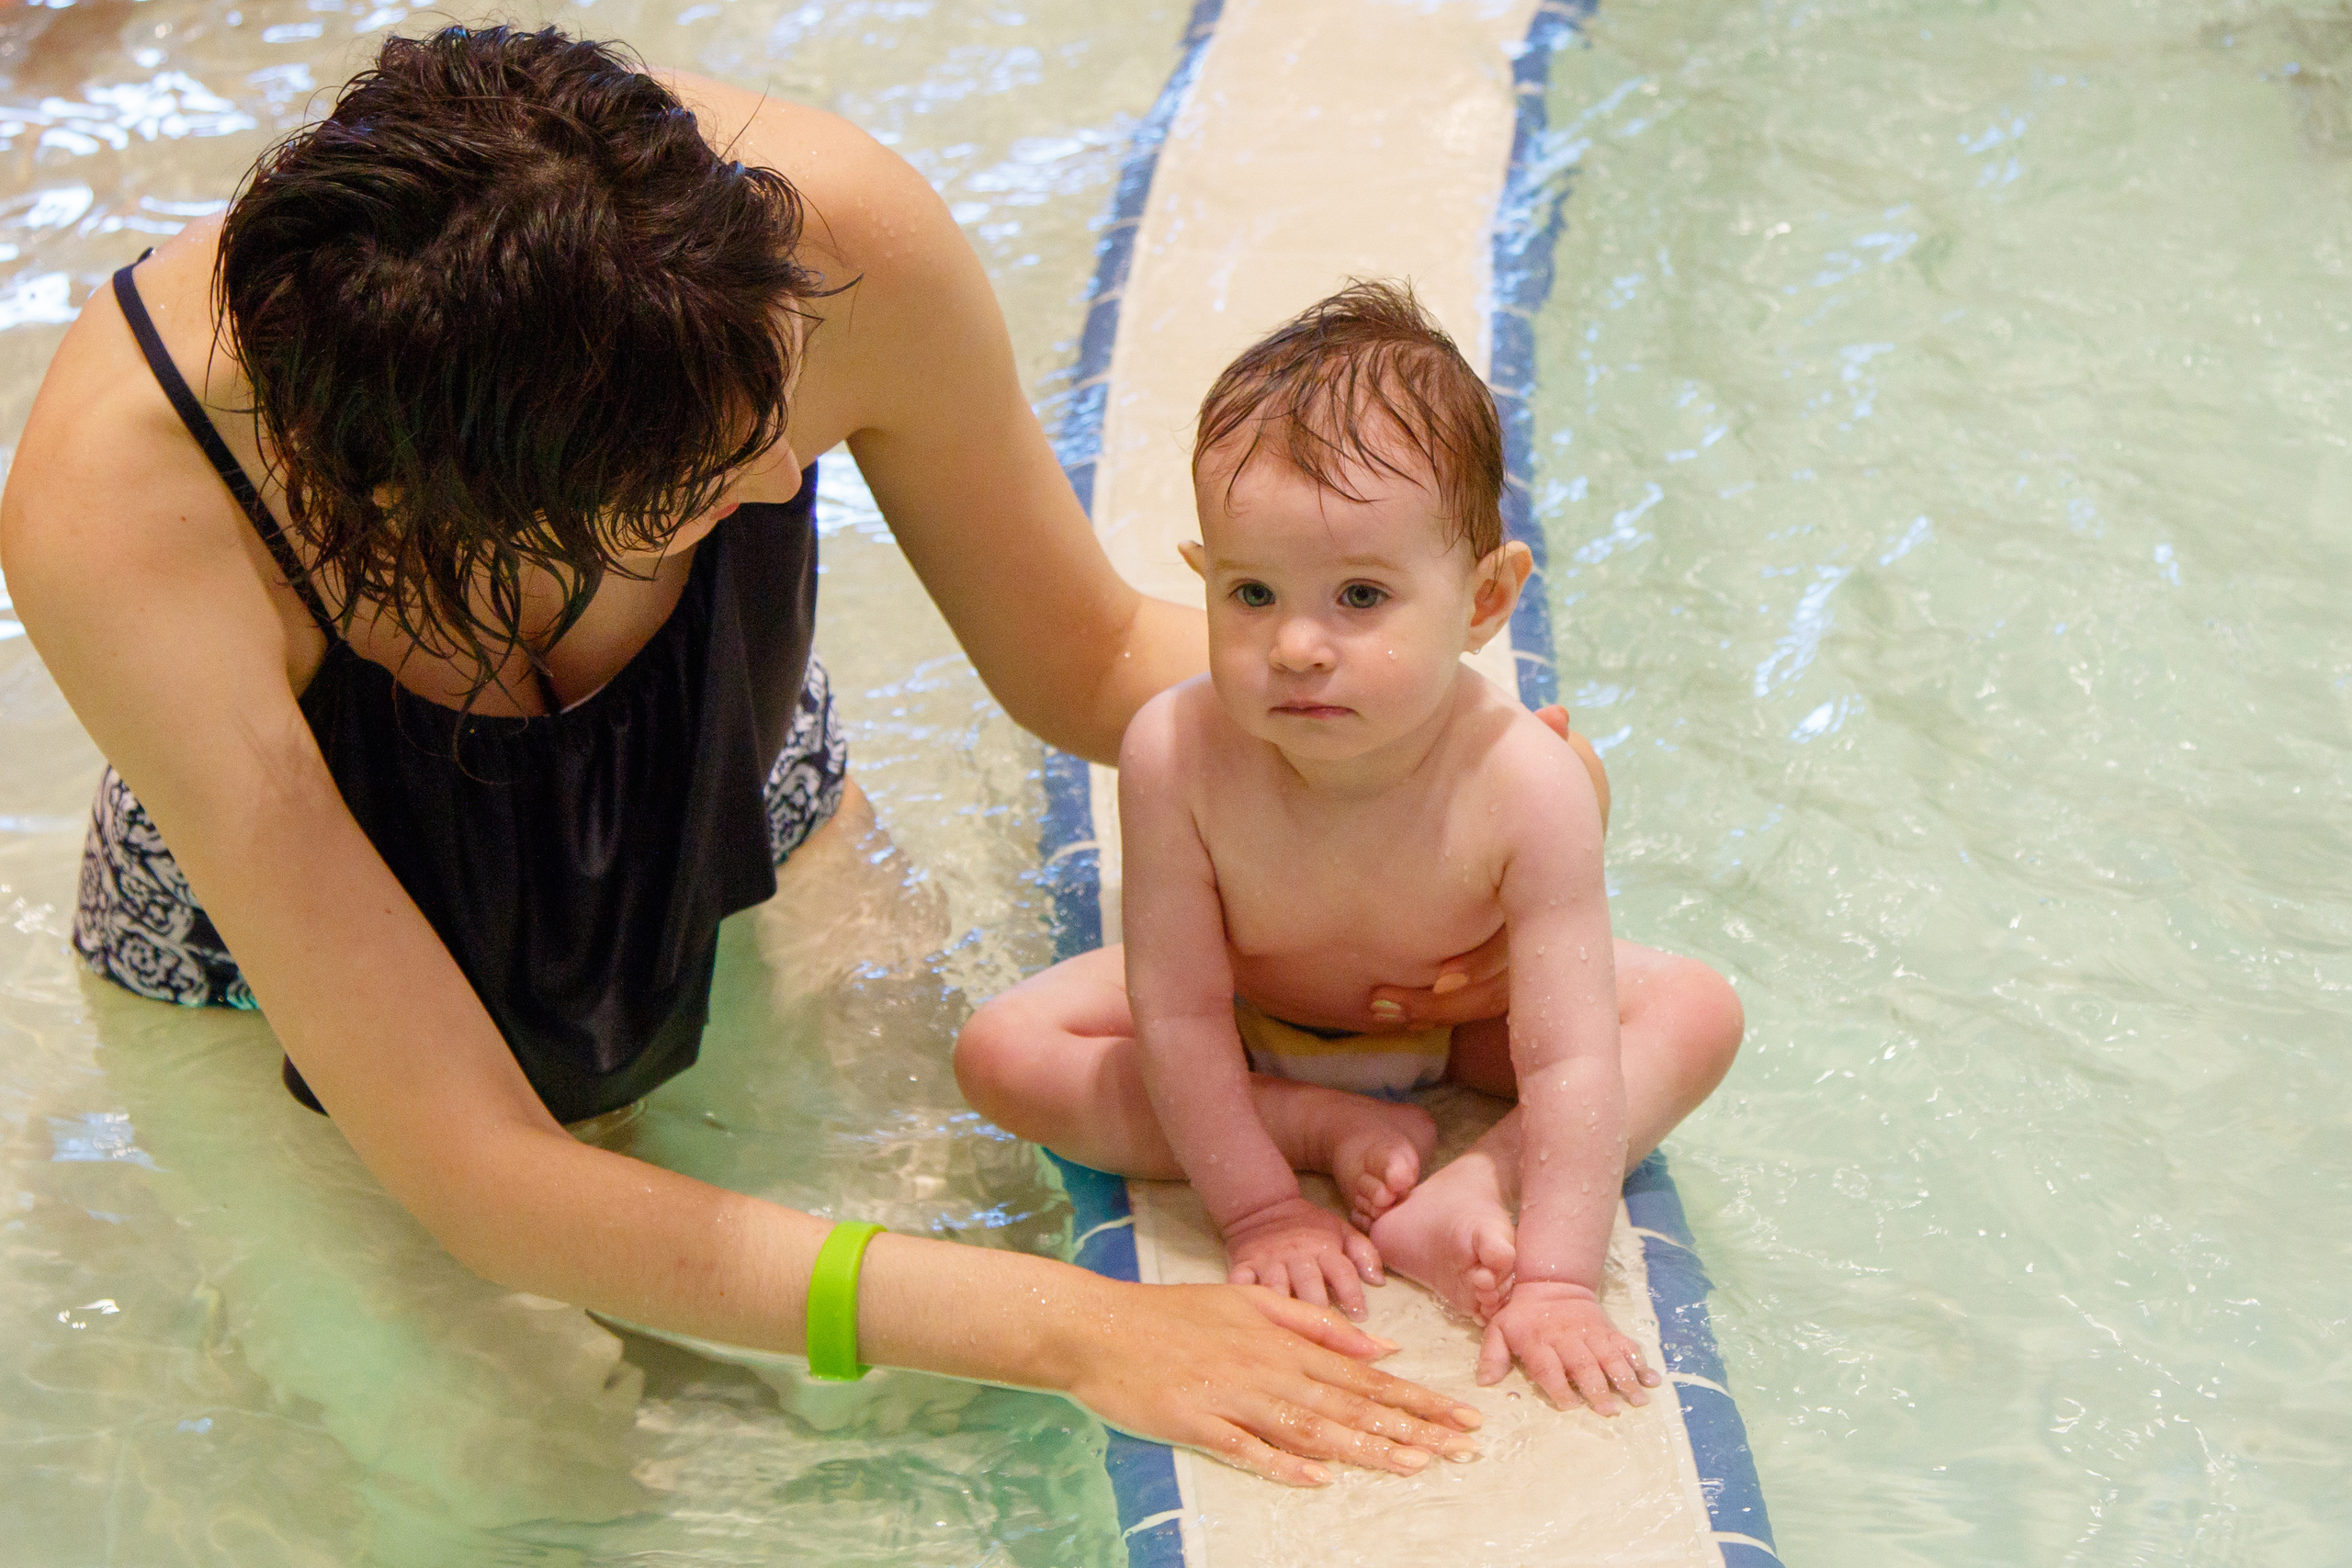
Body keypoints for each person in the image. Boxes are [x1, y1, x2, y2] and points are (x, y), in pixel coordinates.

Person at [0, 26, 1533, 1488]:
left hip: (737, 817)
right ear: (430, 514)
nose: (790, 475)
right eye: (701, 487)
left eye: (775, 404)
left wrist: (1450, 765)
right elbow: (472, 1165)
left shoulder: (821, 243)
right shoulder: (130, 511)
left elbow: (1081, 659)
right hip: (264, 982)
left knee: (954, 1316)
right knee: (496, 1466)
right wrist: (1079, 1333)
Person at [953, 283, 1746, 1416]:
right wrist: (1262, 1207)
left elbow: (1566, 1053)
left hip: (1464, 1029)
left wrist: (1558, 1279)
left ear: (1483, 598)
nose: (1296, 645)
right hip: (1247, 1024)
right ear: (1205, 574)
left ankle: (1474, 1180)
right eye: (1252, 592)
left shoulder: (1524, 781)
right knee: (1002, 1049)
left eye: (1361, 595)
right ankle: (1316, 1125)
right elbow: (1175, 1012)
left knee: (1697, 1009)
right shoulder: (1174, 750)